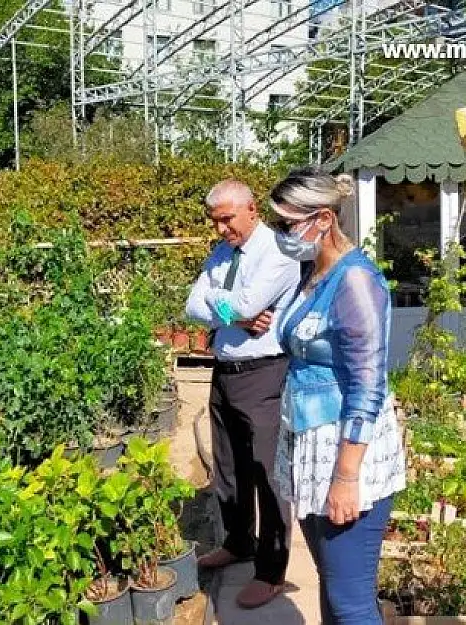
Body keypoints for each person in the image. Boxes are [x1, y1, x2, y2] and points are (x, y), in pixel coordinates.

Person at [269, 168, 406, 625]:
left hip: (346, 452)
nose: (279, 234)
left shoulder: (356, 281)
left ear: (323, 219)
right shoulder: (313, 272)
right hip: (311, 443)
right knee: (332, 587)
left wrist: (346, 478)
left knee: (351, 605)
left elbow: (368, 386)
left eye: (286, 224)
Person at [185, 179, 301, 609]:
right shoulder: (221, 254)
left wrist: (225, 310)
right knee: (228, 464)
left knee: (268, 473)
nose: (220, 230)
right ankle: (239, 542)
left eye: (226, 220)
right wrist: (234, 316)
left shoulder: (279, 252)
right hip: (225, 370)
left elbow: (251, 304)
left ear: (251, 209)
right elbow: (191, 306)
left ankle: (271, 570)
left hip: (264, 373)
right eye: (215, 222)